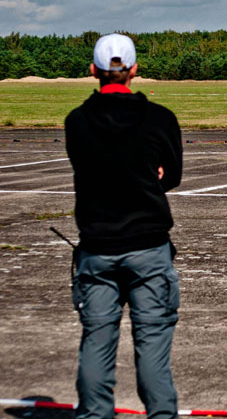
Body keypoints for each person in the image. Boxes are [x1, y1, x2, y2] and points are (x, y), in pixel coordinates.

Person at [64, 33, 183, 419]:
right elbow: (172, 176)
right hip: (149, 248)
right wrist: (149, 175)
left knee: (97, 343)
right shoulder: (161, 119)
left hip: (96, 248)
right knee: (152, 349)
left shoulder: (77, 122)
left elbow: (89, 167)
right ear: (134, 69)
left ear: (93, 71)